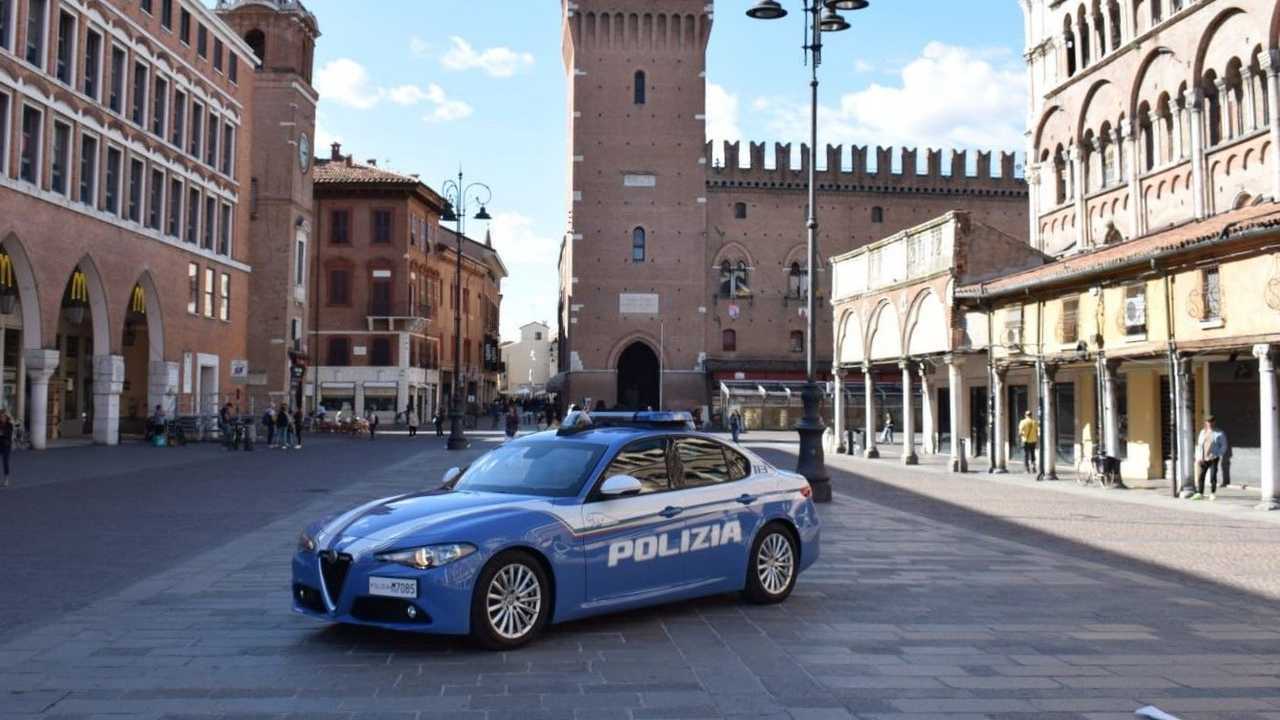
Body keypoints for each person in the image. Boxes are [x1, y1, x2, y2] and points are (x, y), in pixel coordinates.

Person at [1193, 415, 1227, 500]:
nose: (1210, 423)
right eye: (1208, 422)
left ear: (1214, 422)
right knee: (1201, 476)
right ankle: (1200, 493)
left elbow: (1224, 446)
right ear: (1206, 422)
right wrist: (1199, 457)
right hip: (1203, 458)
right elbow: (1199, 446)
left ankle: (1212, 493)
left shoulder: (1219, 433)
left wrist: (1216, 454)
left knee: (1213, 476)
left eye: (1211, 421)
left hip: (1213, 458)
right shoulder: (1202, 432)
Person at [0, 408, 13, 487]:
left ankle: (6, 479)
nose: (2, 418)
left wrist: (2, 433)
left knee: (5, 462)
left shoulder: (9, 425)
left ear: (6, 416)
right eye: (1, 416)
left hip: (6, 445)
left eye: (3, 416)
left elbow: (9, 435)